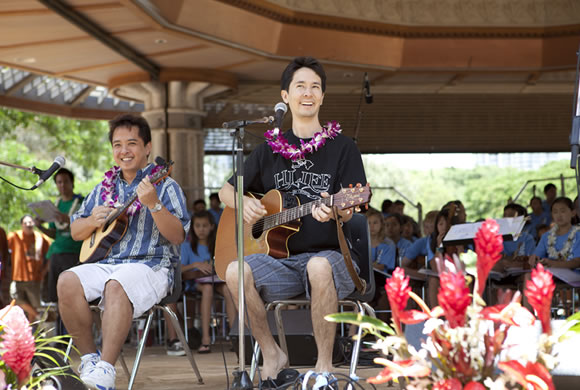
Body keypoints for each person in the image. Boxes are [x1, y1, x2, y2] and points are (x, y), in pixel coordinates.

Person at [219, 56, 366, 384]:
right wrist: (243, 203)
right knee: (234, 270)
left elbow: (351, 206)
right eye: (300, 86)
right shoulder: (268, 151)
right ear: (285, 96)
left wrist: (337, 209)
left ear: (323, 97)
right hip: (281, 263)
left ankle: (324, 369)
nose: (308, 92)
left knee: (317, 265)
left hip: (332, 259)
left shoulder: (343, 148)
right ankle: (272, 354)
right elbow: (224, 192)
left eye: (315, 86)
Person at [57, 113, 190, 390]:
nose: (124, 151)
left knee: (116, 285)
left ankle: (105, 371)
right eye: (117, 145)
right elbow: (75, 230)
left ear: (147, 147)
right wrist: (93, 220)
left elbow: (178, 236)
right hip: (109, 263)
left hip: (152, 266)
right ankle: (90, 359)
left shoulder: (165, 184)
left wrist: (154, 204)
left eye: (131, 143)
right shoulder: (103, 188)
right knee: (67, 280)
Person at [177, 211, 235, 354]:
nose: (201, 229)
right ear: (193, 228)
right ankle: (205, 339)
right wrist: (195, 264)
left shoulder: (218, 245)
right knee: (207, 289)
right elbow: (180, 269)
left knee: (229, 289)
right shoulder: (187, 246)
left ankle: (235, 336)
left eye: (204, 226)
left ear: (211, 227)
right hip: (195, 283)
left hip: (217, 280)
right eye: (197, 226)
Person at [35, 168, 84, 305]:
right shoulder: (55, 205)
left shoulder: (83, 202)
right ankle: (57, 325)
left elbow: (88, 226)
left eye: (65, 182)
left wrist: (68, 219)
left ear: (72, 183)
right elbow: (54, 234)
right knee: (55, 297)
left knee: (73, 295)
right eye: (59, 182)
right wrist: (40, 226)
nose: (62, 185)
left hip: (75, 253)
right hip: (56, 255)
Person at [7, 215, 50, 320]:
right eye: (25, 223)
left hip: (35, 278)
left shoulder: (41, 238)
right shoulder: (14, 236)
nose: (28, 225)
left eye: (30, 222)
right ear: (21, 225)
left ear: (34, 224)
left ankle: (31, 331)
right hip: (18, 277)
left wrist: (44, 271)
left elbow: (50, 255)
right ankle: (38, 315)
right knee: (15, 299)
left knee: (34, 304)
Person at [529, 197, 580, 270]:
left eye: (563, 211)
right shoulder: (546, 236)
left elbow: (577, 262)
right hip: (551, 276)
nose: (559, 215)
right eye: (555, 212)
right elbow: (537, 256)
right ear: (551, 215)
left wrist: (553, 263)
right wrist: (534, 259)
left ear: (573, 213)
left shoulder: (578, 234)